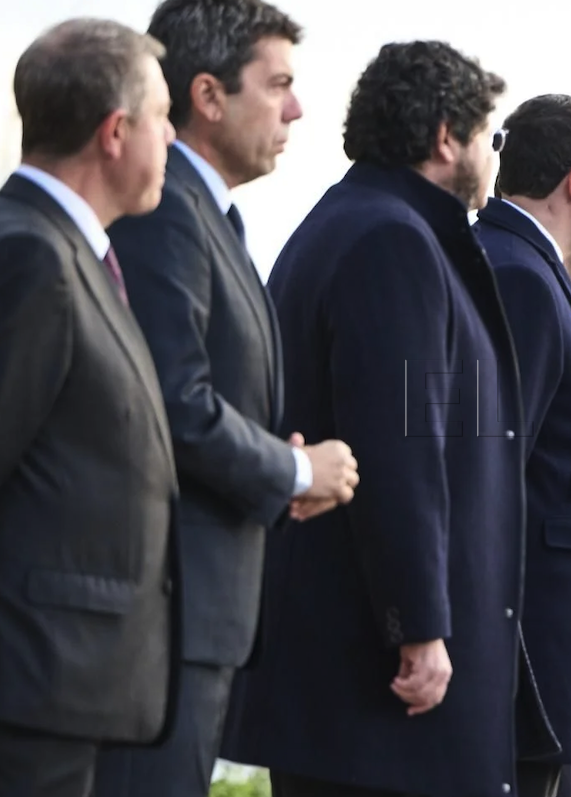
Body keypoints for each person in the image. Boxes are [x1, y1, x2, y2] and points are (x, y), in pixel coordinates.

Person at [219, 41, 529, 797]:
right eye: (489, 138)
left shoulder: (351, 221)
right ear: (444, 137)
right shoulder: (394, 239)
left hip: (351, 680)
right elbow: (400, 448)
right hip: (377, 684)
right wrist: (418, 626)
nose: (492, 159)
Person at [93, 3, 358, 794]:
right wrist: (293, 471)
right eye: (277, 84)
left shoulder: (209, 214)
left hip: (201, 616)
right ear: (207, 96)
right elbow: (172, 402)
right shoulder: (165, 208)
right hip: (162, 615)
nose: (296, 108)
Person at [0, 18, 177, 797]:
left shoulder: (76, 255)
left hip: (72, 691)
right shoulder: (31, 254)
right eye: (164, 117)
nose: (171, 138)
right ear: (115, 132)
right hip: (32, 690)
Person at [472, 93, 571, 797]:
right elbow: (488, 469)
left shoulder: (528, 265)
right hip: (536, 647)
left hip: (554, 641)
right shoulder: (515, 272)